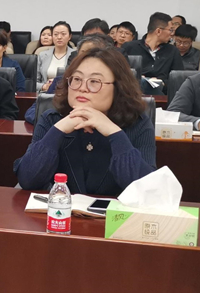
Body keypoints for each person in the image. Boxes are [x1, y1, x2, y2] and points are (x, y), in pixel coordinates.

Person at [14, 47, 156, 196]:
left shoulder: (138, 124)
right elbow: (28, 180)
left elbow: (146, 191)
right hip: (63, 209)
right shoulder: (52, 120)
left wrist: (113, 132)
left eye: (94, 81)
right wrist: (58, 130)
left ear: (118, 88)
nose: (82, 88)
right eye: (77, 79)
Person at [24, 35, 115, 124]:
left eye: (94, 82)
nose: (86, 59)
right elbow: (32, 113)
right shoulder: (61, 81)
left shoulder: (113, 85)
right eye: (83, 53)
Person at [122, 12, 183, 95]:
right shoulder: (129, 47)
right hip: (133, 93)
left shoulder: (173, 51)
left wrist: (162, 82)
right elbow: (120, 73)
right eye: (170, 30)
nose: (172, 34)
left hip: (161, 94)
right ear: (158, 31)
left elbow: (178, 79)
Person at [37, 21, 75, 92]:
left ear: (69, 36)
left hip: (67, 93)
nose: (59, 37)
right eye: (56, 34)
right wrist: (44, 86)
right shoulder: (42, 55)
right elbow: (34, 82)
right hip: (45, 94)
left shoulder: (75, 55)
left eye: (63, 34)